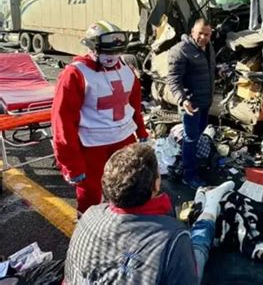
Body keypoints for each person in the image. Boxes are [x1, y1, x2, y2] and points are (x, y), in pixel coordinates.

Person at [64, 143, 235, 284]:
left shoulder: (90, 214)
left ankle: (203, 204)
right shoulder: (172, 236)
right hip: (171, 244)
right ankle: (210, 208)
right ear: (156, 184)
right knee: (197, 246)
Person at [51, 20, 148, 214]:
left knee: (127, 186)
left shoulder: (126, 71)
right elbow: (62, 122)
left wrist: (141, 130)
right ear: (92, 48)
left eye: (116, 52)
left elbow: (134, 105)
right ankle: (88, 231)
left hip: (124, 140)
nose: (112, 57)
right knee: (91, 194)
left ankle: (123, 225)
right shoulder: (75, 74)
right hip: (91, 145)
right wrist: (71, 164)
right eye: (107, 52)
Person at [168, 18, 215, 189]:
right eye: (200, 33)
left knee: (198, 134)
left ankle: (188, 158)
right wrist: (183, 100)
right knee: (190, 138)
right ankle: (189, 175)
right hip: (191, 105)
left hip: (205, 102)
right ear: (192, 32)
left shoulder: (209, 47)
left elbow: (207, 71)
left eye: (207, 34)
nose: (203, 37)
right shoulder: (180, 51)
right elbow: (173, 80)